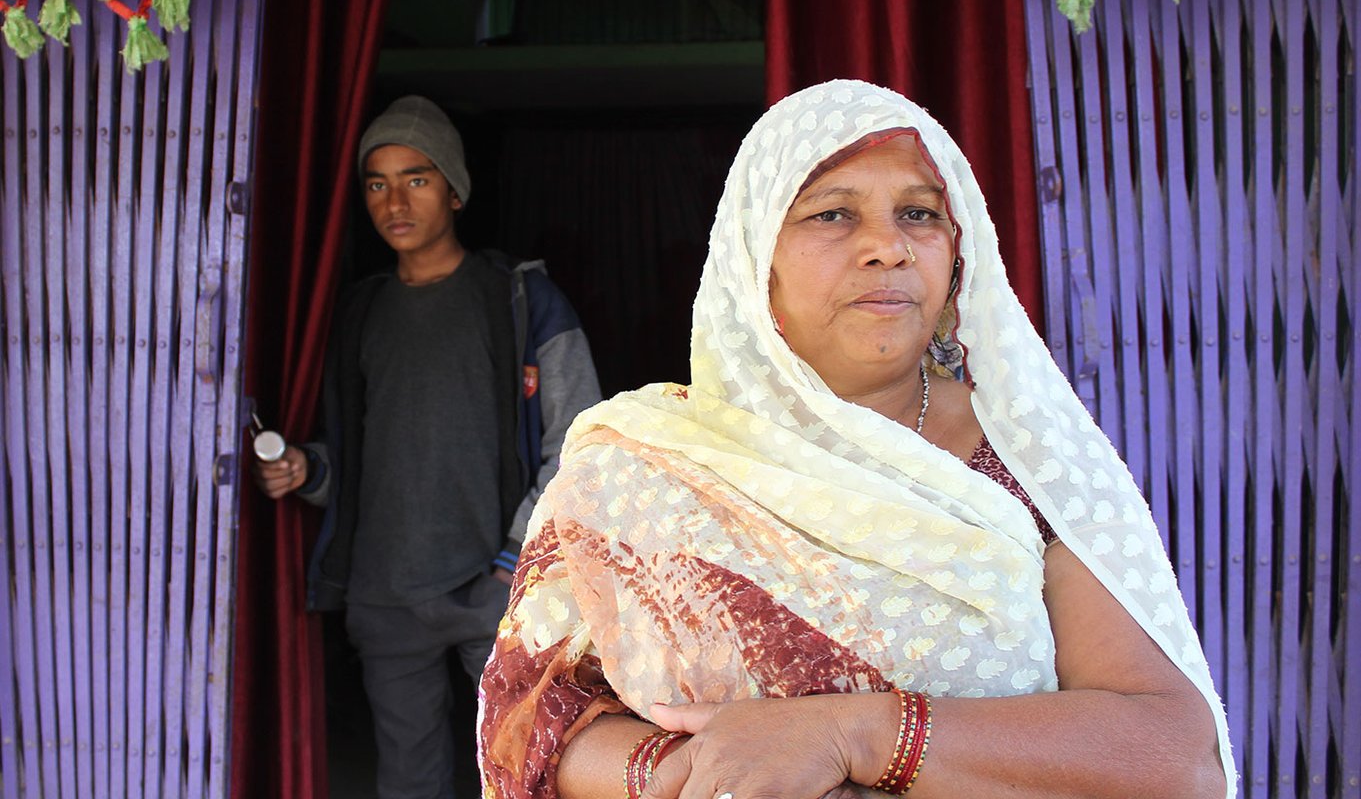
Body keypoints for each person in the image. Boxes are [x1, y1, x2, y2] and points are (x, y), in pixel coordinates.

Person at [477, 79, 1234, 799]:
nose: (887, 246)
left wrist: (853, 736)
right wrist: (685, 775)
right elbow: (536, 721)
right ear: (755, 265)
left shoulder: (1029, 457)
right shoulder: (641, 466)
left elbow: (1172, 756)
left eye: (920, 213)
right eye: (832, 214)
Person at [254, 95, 602, 799]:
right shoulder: (359, 311)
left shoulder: (519, 299)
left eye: (415, 177)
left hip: (496, 589)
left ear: (454, 188)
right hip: (386, 594)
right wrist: (306, 469)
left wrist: (516, 561)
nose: (394, 200)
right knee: (407, 779)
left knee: (521, 771)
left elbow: (582, 440)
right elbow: (356, 455)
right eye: (376, 183)